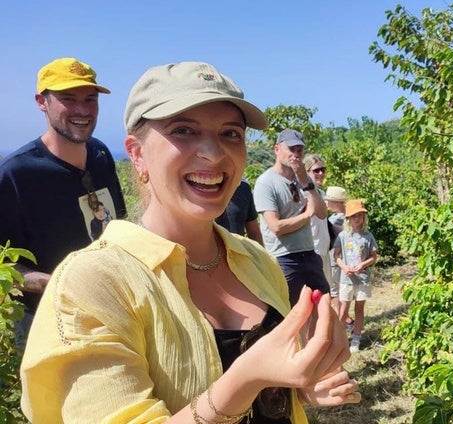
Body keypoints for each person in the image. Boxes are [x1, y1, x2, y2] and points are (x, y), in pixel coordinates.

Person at [20, 61, 359, 423]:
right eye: (183, 130)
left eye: (231, 133)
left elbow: (267, 398)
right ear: (136, 154)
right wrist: (245, 379)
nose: (213, 155)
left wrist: (299, 387)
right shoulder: (92, 283)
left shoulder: (256, 261)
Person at [0, 57, 127, 349]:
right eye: (68, 99)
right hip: (48, 328)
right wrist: (65, 285)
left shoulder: (100, 154)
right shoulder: (18, 174)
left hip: (111, 313)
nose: (82, 110)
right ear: (41, 102)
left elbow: (117, 224)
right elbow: (5, 269)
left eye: (90, 99)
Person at [253, 129, 330, 305]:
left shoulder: (302, 179)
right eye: (291, 149)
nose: (295, 154)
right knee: (292, 313)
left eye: (299, 150)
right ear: (277, 149)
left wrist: (306, 184)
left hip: (309, 253)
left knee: (323, 305)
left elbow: (322, 213)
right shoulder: (266, 182)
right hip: (284, 259)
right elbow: (277, 227)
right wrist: (306, 215)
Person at [333, 200, 379, 353]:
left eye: (360, 215)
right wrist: (344, 267)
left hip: (362, 279)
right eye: (354, 216)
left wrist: (363, 265)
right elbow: (336, 255)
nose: (357, 219)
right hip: (346, 279)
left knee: (359, 309)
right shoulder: (342, 236)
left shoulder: (368, 236)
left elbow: (374, 256)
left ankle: (356, 339)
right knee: (343, 310)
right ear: (348, 219)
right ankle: (339, 339)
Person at [303, 154, 331, 290]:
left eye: (323, 170)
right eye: (316, 170)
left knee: (326, 291)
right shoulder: (302, 194)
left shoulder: (321, 193)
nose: (321, 173)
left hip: (323, 247)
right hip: (311, 248)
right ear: (306, 172)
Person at [323, 186, 350, 327]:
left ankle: (342, 321)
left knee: (335, 292)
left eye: (329, 200)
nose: (326, 203)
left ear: (337, 202)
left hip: (335, 259)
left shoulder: (337, 220)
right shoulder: (347, 216)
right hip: (341, 259)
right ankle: (345, 319)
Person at [216, 178, 264, 244]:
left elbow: (254, 232)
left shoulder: (243, 188)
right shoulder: (201, 189)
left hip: (238, 251)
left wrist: (260, 253)